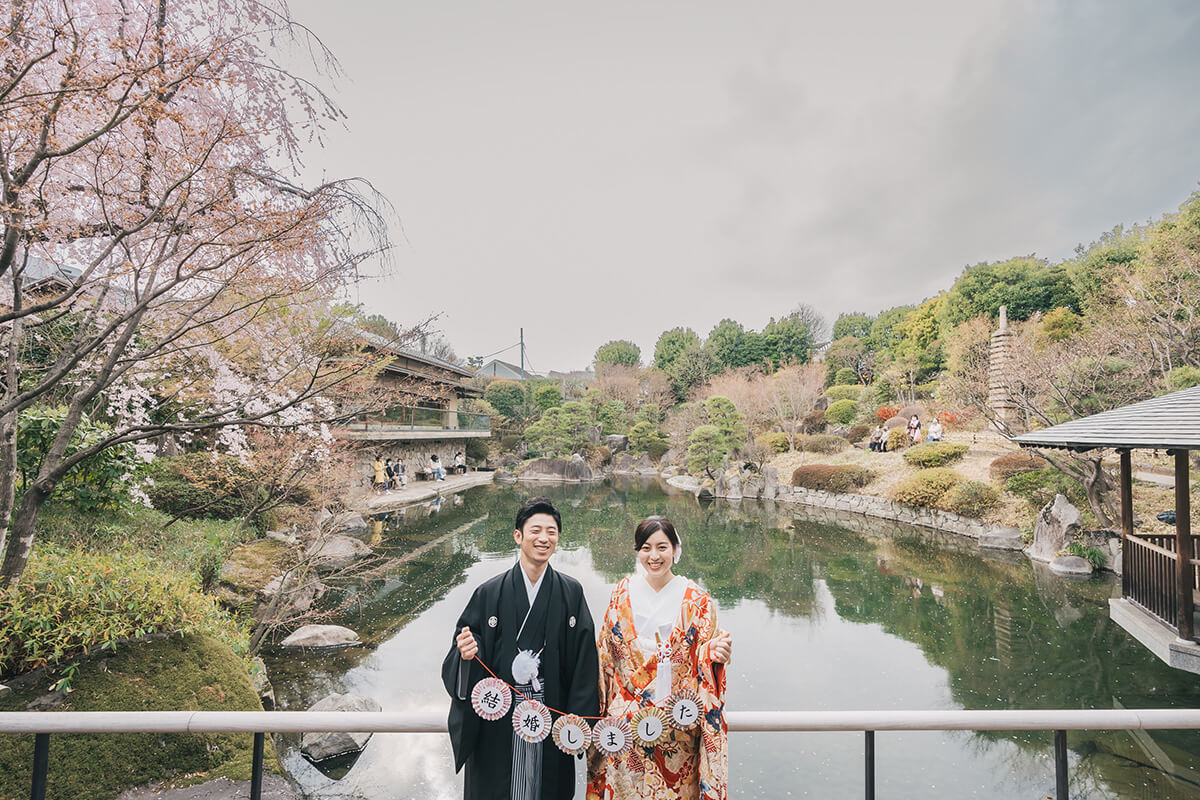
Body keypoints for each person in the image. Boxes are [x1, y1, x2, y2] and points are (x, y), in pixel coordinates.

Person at [442, 497, 600, 800]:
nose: (544, 538)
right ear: (518, 536)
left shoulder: (571, 592)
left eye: (551, 532)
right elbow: (463, 654)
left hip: (551, 717)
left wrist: (577, 724)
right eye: (536, 530)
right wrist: (465, 655)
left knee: (548, 788)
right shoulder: (488, 592)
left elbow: (584, 663)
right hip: (498, 717)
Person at [587, 516, 731, 800]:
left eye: (662, 547)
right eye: (646, 548)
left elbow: (707, 657)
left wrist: (717, 655)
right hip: (625, 725)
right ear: (637, 551)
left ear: (676, 549)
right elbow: (604, 655)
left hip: (676, 725)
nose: (654, 556)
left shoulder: (697, 600)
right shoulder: (621, 593)